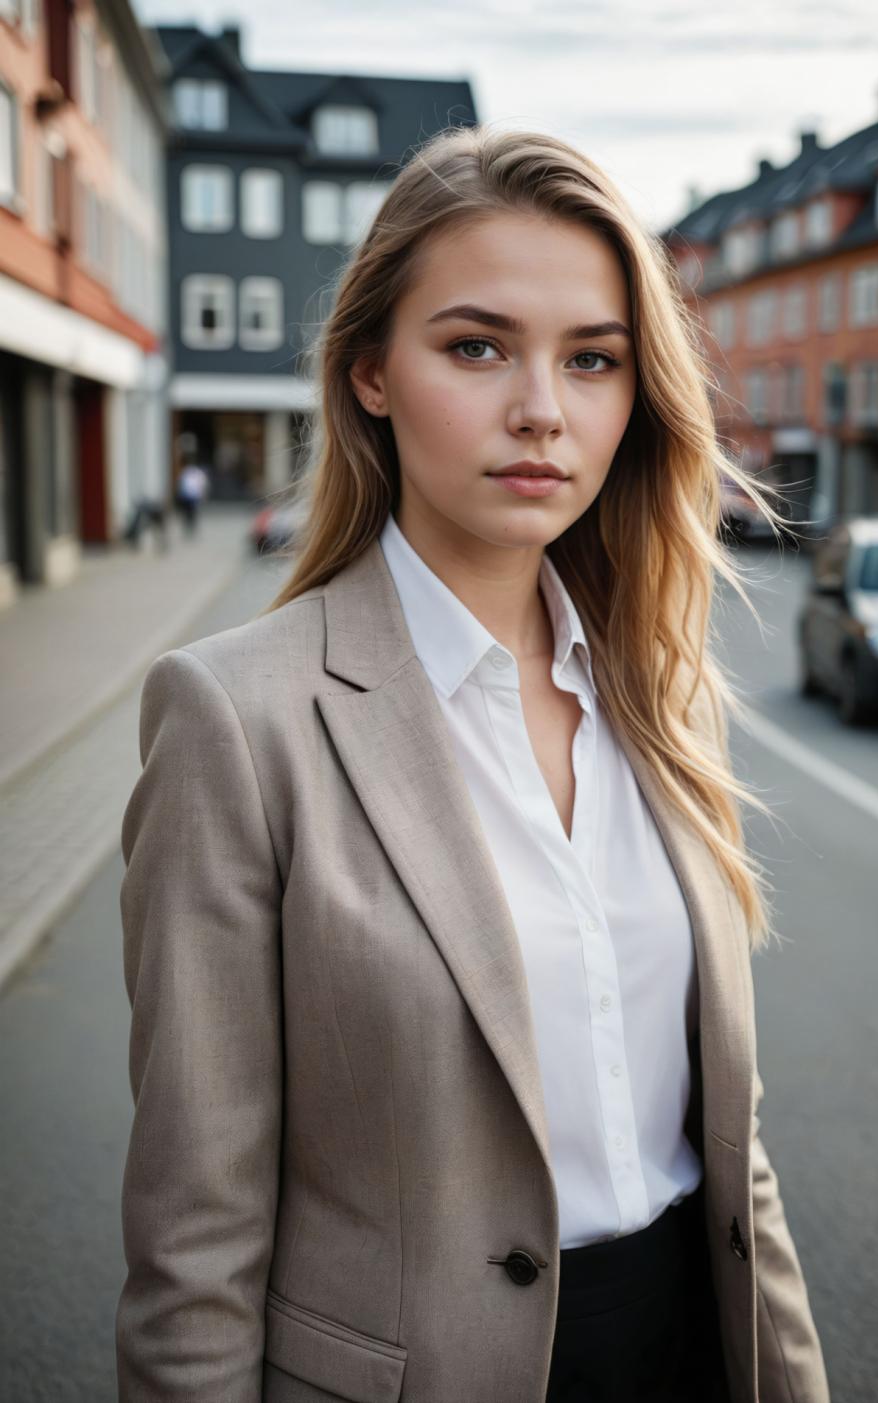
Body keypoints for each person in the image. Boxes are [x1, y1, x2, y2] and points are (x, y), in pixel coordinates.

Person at [116, 125, 830, 1402]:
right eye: (477, 346)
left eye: (594, 359)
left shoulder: (661, 693)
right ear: (371, 373)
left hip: (692, 1354)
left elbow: (733, 1141)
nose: (542, 410)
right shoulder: (237, 717)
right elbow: (194, 1241)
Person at [174, 460, 210, 536]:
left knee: (192, 513)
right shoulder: (186, 472)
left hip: (193, 496)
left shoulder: (194, 473)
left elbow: (202, 485)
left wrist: (203, 495)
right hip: (188, 496)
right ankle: (188, 526)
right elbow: (182, 484)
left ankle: (191, 527)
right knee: (188, 512)